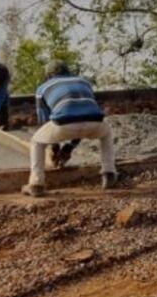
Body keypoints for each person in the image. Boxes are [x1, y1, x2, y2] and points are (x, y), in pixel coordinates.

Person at [22, 61, 117, 197]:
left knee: (37, 141)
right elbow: (82, 114)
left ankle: (36, 184)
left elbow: (44, 121)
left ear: (49, 75)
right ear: (68, 72)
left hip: (64, 123)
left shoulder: (42, 88)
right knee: (106, 134)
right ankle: (109, 173)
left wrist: (54, 148)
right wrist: (69, 148)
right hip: (95, 121)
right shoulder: (84, 83)